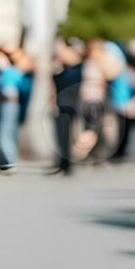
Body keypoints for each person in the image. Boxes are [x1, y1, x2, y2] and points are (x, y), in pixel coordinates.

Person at [50, 39, 87, 175]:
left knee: (70, 135)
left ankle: (68, 164)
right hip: (62, 105)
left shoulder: (80, 68)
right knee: (61, 135)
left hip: (74, 106)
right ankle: (62, 163)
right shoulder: (62, 68)